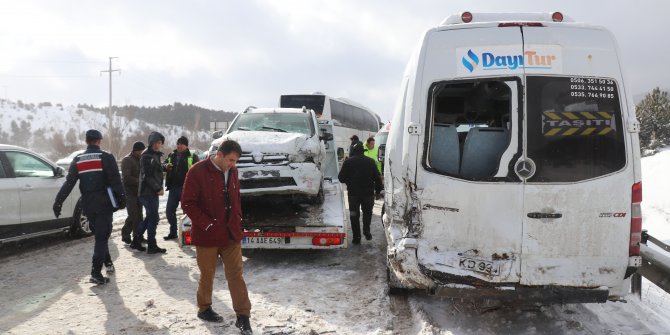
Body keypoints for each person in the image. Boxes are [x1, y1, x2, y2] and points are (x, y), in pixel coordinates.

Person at [181, 140, 253, 334]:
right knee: (207, 274)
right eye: (231, 160)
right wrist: (207, 223)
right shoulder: (197, 171)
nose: (233, 165)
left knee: (236, 275)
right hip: (207, 235)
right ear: (219, 155)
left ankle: (243, 316)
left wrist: (237, 220)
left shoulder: (233, 171)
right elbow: (187, 203)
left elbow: (235, 199)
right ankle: (204, 308)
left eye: (236, 161)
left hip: (231, 234)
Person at [52, 129, 126, 284]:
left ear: (86, 141)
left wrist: (58, 201)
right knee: (101, 236)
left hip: (87, 205)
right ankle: (95, 273)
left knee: (100, 234)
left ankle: (108, 263)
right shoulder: (106, 157)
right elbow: (116, 181)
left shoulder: (78, 159)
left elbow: (69, 183)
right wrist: (122, 199)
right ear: (99, 141)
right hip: (104, 203)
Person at [338, 142, 383, 245]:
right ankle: (366, 231)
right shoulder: (370, 162)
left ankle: (356, 237)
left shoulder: (348, 162)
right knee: (367, 213)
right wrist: (378, 191)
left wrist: (349, 180)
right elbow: (378, 178)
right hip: (368, 194)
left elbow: (341, 178)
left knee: (354, 215)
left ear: (353, 152)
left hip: (353, 194)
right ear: (363, 152)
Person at [131, 131, 168, 254]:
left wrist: (164, 167)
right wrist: (158, 188)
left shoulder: (154, 155)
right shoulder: (147, 156)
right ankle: (151, 245)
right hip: (148, 193)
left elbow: (155, 169)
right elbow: (147, 176)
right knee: (153, 218)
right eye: (157, 142)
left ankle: (136, 240)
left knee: (151, 217)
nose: (159, 145)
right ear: (151, 142)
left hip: (150, 193)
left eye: (160, 143)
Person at [163, 136, 199, 240]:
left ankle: (188, 234)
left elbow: (198, 171)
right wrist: (165, 166)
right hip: (173, 188)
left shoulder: (192, 156)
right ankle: (173, 232)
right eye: (177, 143)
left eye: (181, 144)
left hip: (187, 189)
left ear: (186, 145)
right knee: (169, 212)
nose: (178, 145)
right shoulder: (171, 155)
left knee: (187, 213)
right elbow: (163, 164)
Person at [121, 141, 146, 245]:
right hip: (129, 192)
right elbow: (126, 178)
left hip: (139, 192)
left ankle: (138, 235)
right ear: (136, 150)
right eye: (141, 151)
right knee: (133, 215)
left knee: (139, 216)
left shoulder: (141, 159)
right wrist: (140, 180)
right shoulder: (127, 160)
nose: (142, 153)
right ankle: (125, 234)